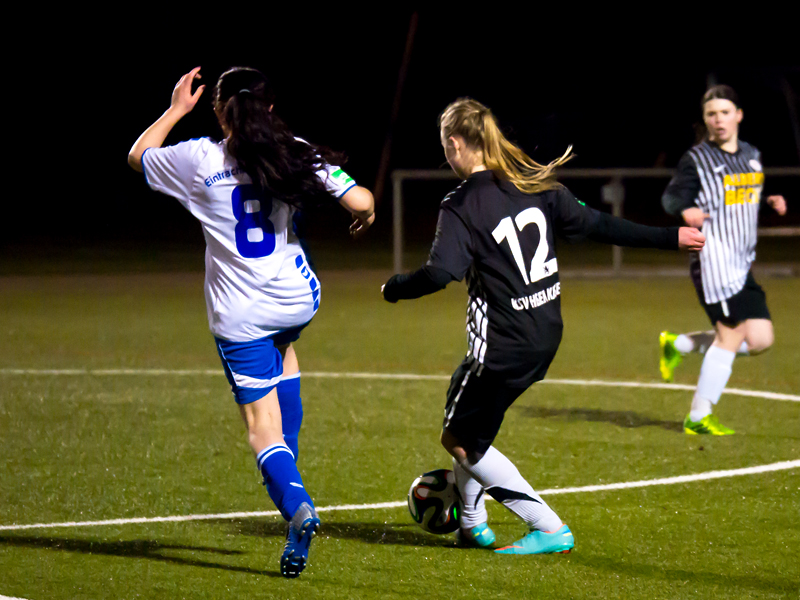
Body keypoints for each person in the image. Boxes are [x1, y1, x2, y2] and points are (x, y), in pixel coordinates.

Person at [381, 98, 705, 554]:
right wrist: (668, 237)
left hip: (504, 342)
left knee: (458, 438)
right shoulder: (534, 185)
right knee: (470, 420)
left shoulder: (461, 204)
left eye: (445, 146)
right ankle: (472, 524)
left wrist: (393, 287)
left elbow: (439, 273)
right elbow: (598, 224)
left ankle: (547, 526)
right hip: (544, 331)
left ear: (455, 143)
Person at [127, 66, 375, 577]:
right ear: (270, 107)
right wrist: (363, 216)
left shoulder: (201, 158)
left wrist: (175, 110)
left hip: (241, 315)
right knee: (284, 351)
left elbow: (139, 156)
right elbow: (361, 200)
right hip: (295, 301)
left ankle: (295, 501)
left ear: (220, 111)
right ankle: (291, 477)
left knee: (262, 429)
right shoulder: (294, 150)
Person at [659, 84, 787, 435]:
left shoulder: (751, 155)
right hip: (713, 260)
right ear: (705, 120)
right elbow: (671, 199)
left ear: (739, 115)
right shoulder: (697, 159)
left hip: (742, 263)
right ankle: (698, 416)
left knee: (760, 339)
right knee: (731, 334)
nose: (718, 120)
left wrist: (768, 201)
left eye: (725, 112)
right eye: (711, 114)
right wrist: (686, 209)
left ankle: (678, 343)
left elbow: (743, 197)